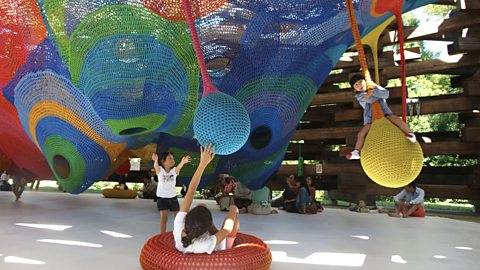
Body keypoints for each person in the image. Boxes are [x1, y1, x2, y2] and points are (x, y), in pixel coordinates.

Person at [173, 144, 240, 254]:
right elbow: (226, 230)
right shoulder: (206, 243)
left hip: (198, 234)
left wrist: (202, 164)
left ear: (186, 220)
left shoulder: (179, 226)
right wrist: (233, 209)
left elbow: (190, 192)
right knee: (235, 221)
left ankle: (205, 217)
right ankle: (229, 245)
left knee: (201, 208)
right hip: (218, 247)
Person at [346, 74, 416, 160]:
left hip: (385, 114)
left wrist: (374, 87)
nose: (360, 85)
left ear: (366, 81)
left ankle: (411, 134)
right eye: (356, 85)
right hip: (371, 119)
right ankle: (356, 151)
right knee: (361, 134)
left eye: (361, 82)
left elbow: (386, 94)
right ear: (354, 89)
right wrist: (372, 92)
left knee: (397, 120)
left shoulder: (375, 88)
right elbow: (369, 99)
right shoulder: (359, 96)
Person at [152, 151, 191, 233]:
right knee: (164, 218)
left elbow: (179, 167)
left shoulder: (174, 171)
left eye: (173, 158)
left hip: (172, 198)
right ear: (163, 161)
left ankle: (177, 233)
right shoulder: (160, 171)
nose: (172, 160)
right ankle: (161, 234)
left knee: (177, 217)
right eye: (170, 158)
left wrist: (183, 162)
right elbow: (156, 167)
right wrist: (155, 161)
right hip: (161, 198)